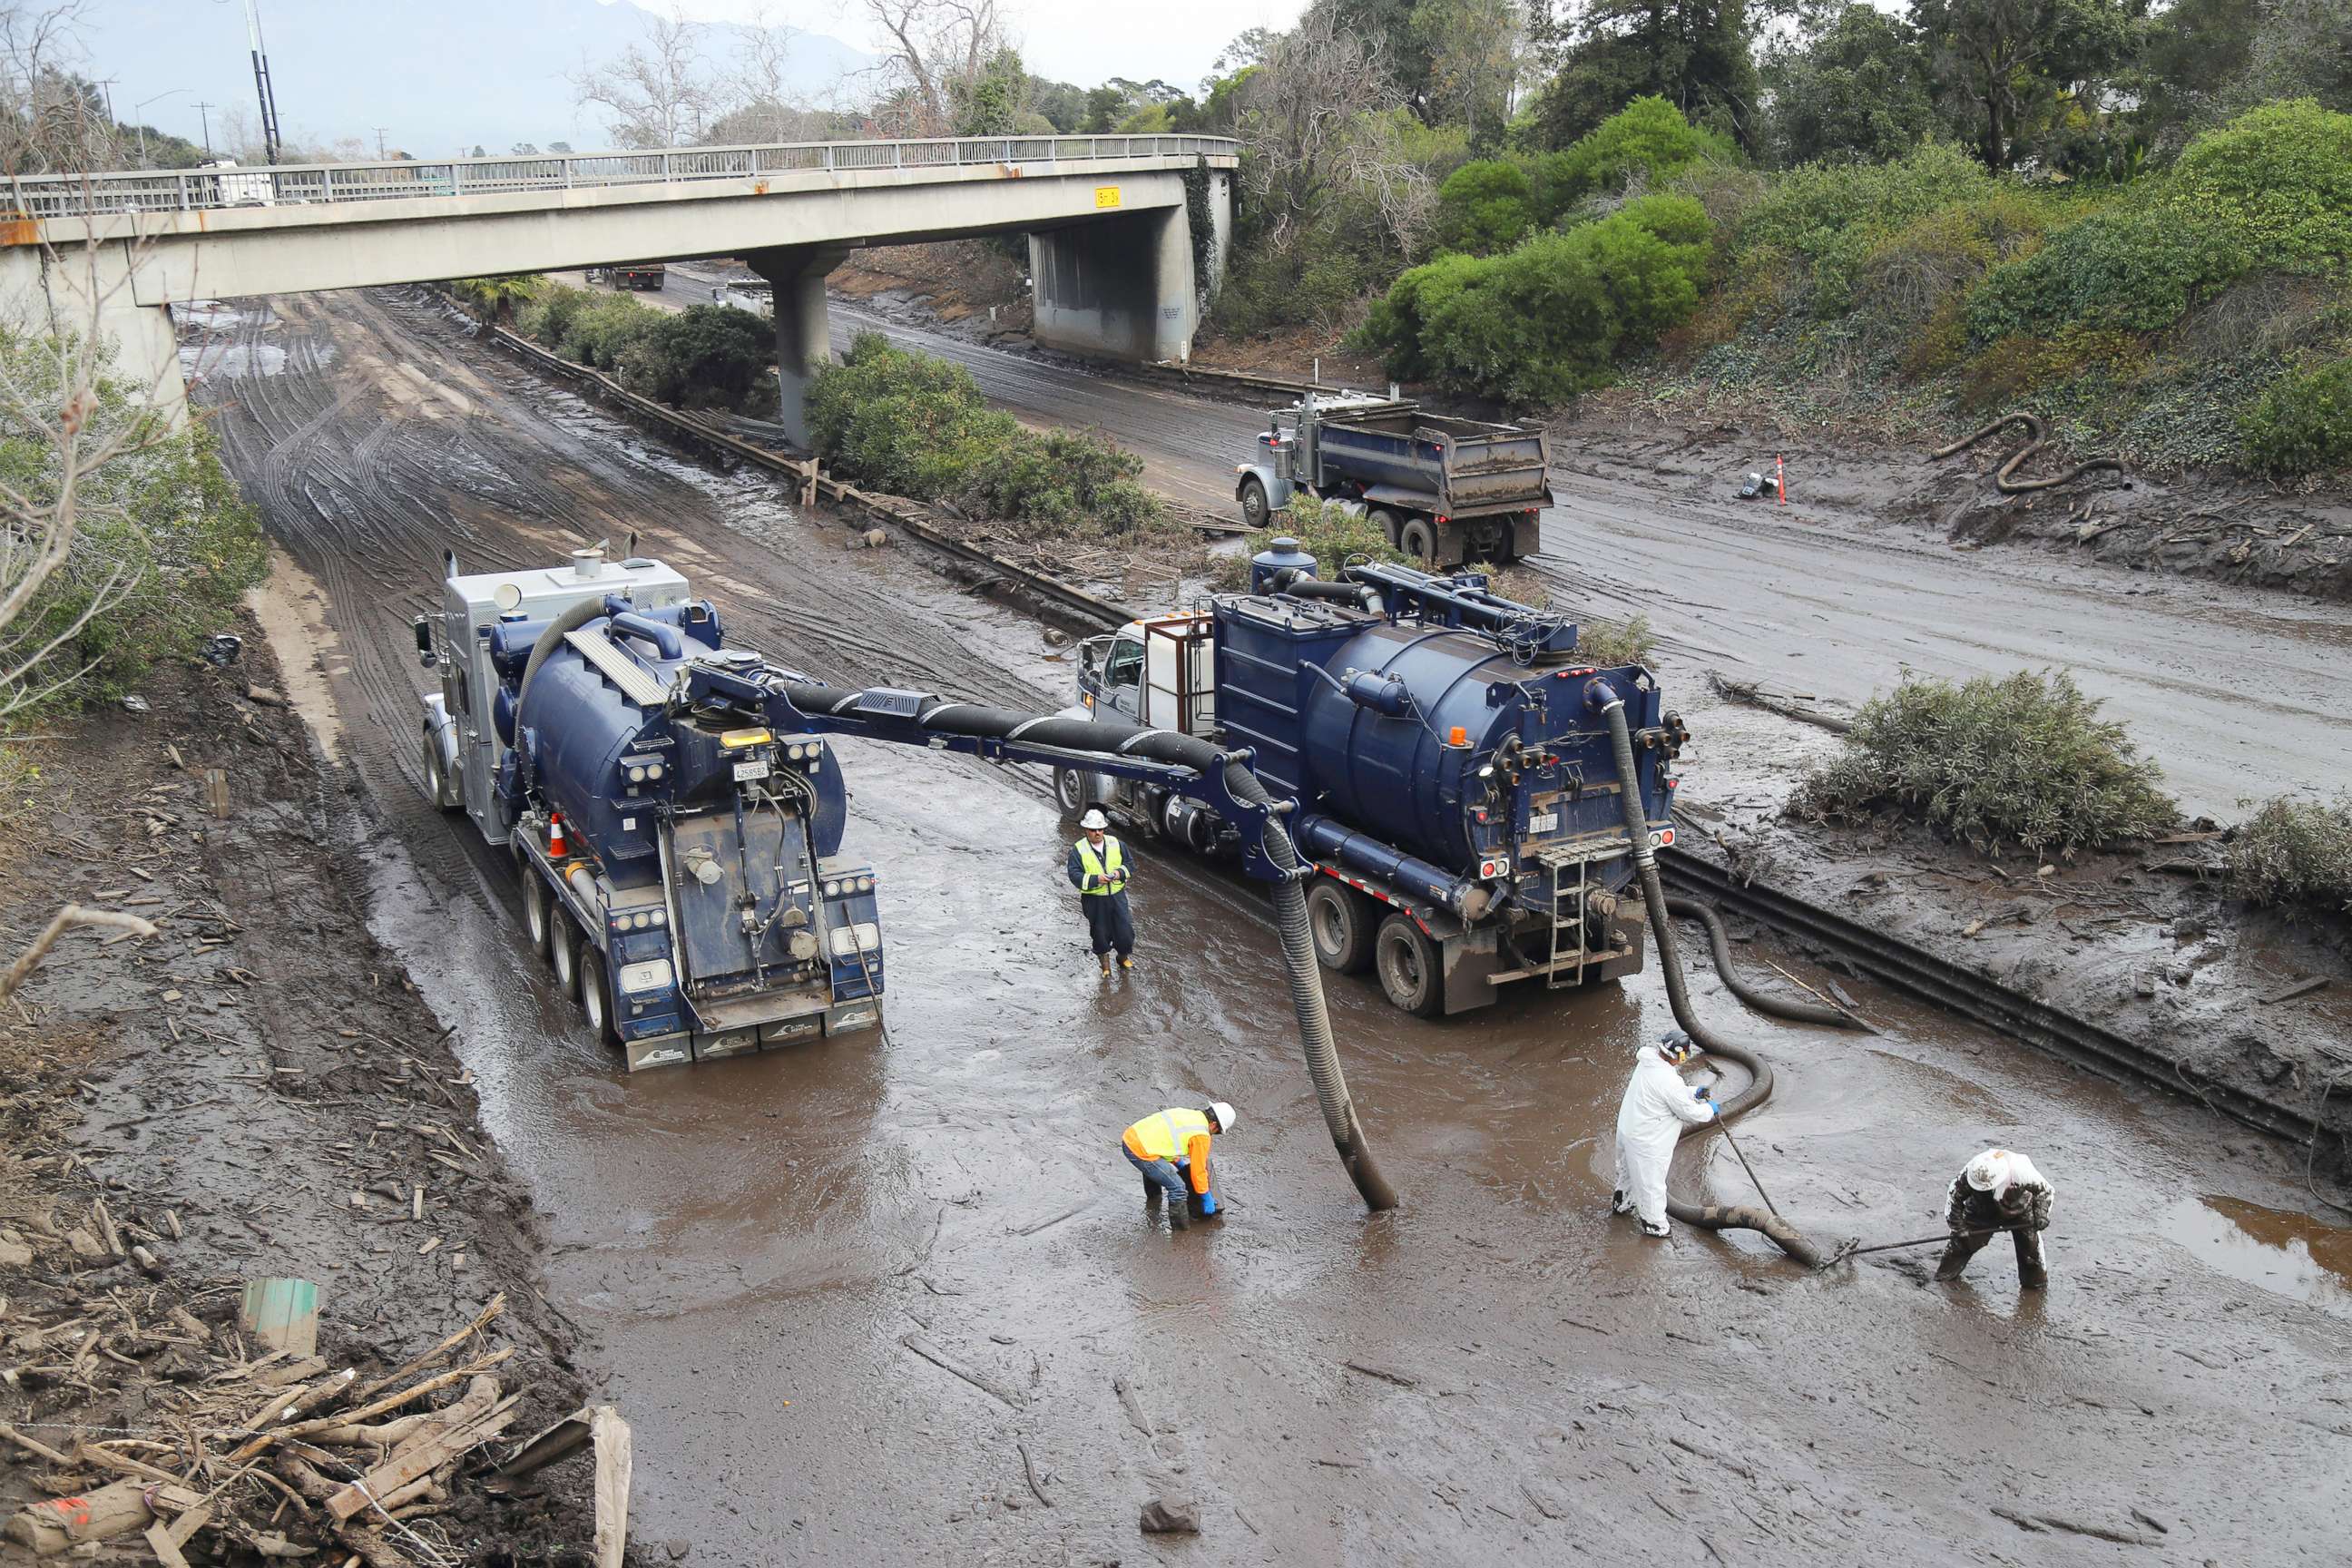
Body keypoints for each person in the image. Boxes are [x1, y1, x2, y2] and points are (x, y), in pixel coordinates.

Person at [1610, 1028, 1718, 1238]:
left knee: (1628, 1172)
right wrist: (1709, 1110)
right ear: (1680, 1055)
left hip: (1628, 1131)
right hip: (1647, 1143)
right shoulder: (1669, 1081)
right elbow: (1688, 1112)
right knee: (1651, 1185)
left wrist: (1691, 1091)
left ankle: (1622, 1204)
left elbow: (1664, 1094)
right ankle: (1655, 1226)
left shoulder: (1647, 1063)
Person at [1936, 1148, 2053, 1289]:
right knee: (1961, 1243)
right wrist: (1958, 1227)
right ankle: (1944, 1277)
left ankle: (2035, 1286)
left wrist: (2041, 1214)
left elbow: (2045, 1190)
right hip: (1982, 1208)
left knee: (2031, 1252)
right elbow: (1954, 1197)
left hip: (2020, 1207)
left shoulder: (2020, 1170)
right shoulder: (1971, 1172)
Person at [1121, 1102, 1236, 1230]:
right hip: (1139, 1149)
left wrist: (1177, 1162)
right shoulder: (1202, 1135)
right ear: (1213, 1125)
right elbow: (1198, 1170)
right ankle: (1180, 1234)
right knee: (1178, 1188)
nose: (1213, 1134)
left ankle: (1153, 1203)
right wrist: (1205, 1195)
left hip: (1133, 1136)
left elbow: (1166, 1138)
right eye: (1217, 1132)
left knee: (1156, 1168)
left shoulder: (1190, 1114)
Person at [1065, 808, 1134, 975]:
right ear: (1086, 830)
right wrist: (1097, 879)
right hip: (1094, 901)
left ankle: (1122, 957)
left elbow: (1130, 864)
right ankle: (1105, 967)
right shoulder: (1078, 850)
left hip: (1117, 897)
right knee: (1100, 934)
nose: (1097, 833)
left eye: (1100, 829)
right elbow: (1074, 875)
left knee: (1125, 932)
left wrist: (1119, 873)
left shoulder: (1116, 844)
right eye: (1093, 830)